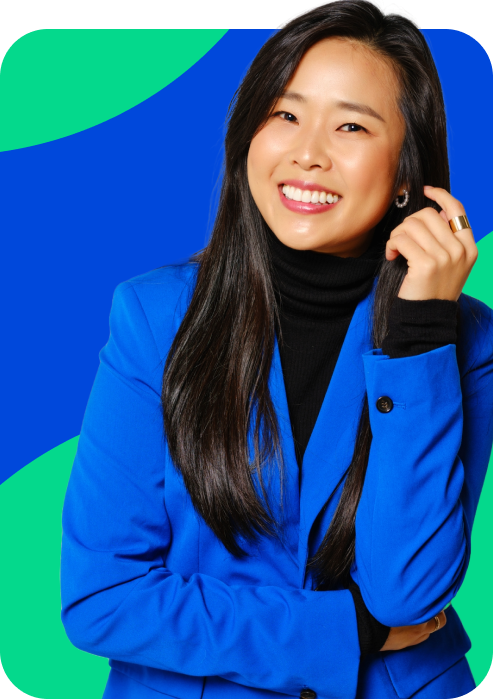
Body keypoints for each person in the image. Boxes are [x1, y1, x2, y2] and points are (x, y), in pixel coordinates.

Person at [61, 3, 493, 698]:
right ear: (247, 134)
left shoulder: (463, 338)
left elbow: (408, 593)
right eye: (284, 115)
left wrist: (417, 335)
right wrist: (340, 631)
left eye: (350, 125)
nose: (307, 152)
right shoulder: (152, 315)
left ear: (407, 173)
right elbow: (102, 598)